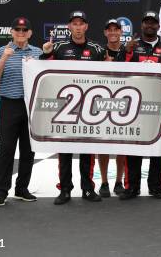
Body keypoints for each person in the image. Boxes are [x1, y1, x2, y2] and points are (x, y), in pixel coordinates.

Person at [40, 11, 106, 205]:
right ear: (69, 26)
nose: (77, 27)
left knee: (87, 150)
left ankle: (87, 188)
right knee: (65, 151)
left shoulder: (96, 49)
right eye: (74, 24)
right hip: (65, 108)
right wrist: (45, 53)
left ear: (86, 26)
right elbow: (42, 70)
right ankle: (65, 190)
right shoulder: (57, 47)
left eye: (81, 24)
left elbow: (110, 75)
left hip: (89, 108)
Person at [118, 10, 161, 200]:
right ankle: (132, 187)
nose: (149, 25)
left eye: (153, 23)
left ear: (158, 26)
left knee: (157, 146)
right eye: (146, 22)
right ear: (141, 25)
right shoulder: (132, 46)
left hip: (158, 106)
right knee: (133, 147)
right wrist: (126, 51)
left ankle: (155, 186)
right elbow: (118, 70)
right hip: (133, 105)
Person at [0, 17, 42, 207]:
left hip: (31, 106)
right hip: (10, 105)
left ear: (30, 33)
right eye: (17, 29)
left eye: (24, 30)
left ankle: (22, 189)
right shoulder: (1, 51)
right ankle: (1, 191)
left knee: (28, 150)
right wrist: (4, 57)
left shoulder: (37, 52)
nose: (21, 32)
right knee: (6, 149)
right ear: (11, 32)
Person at [97, 18, 126, 197]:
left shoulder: (129, 51)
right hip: (103, 101)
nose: (113, 32)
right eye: (110, 29)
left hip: (124, 101)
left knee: (122, 144)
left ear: (121, 32)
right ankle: (104, 182)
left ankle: (119, 182)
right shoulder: (99, 51)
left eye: (116, 29)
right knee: (104, 144)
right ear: (105, 32)